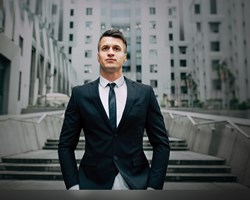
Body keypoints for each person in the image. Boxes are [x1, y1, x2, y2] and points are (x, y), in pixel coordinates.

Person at [58, 29, 170, 190]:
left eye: (116, 49)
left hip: (137, 182)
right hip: (91, 184)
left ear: (124, 56)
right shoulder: (79, 94)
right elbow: (65, 145)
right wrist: (73, 186)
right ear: (98, 56)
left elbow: (161, 144)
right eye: (105, 48)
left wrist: (154, 186)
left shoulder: (145, 93)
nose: (110, 53)